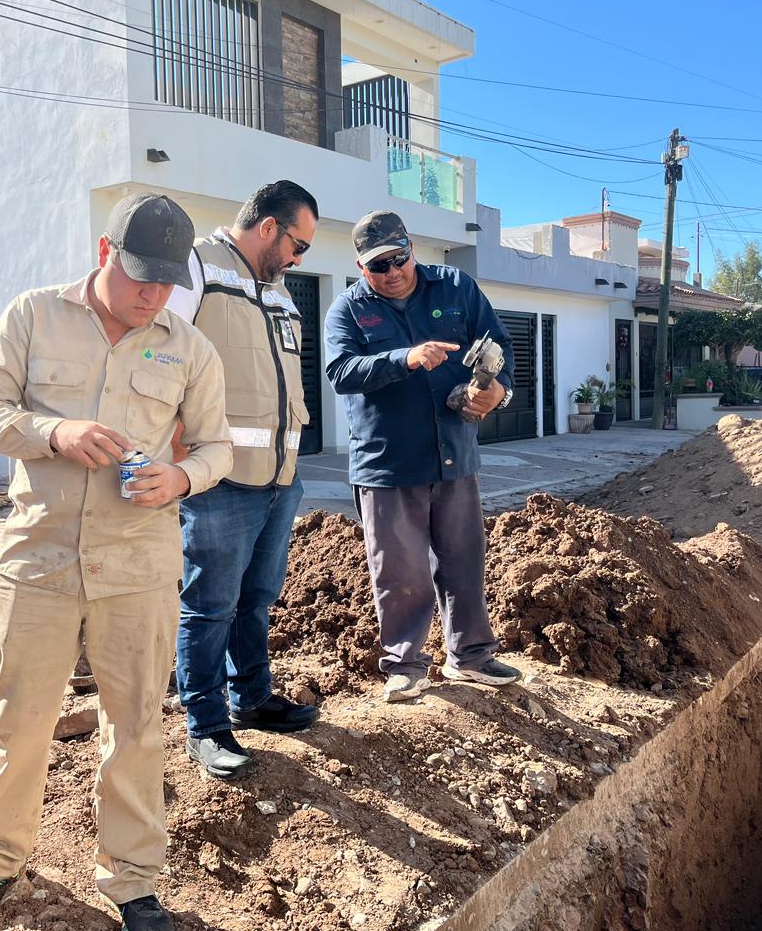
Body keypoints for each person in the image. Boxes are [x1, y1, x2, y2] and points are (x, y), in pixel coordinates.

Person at [0, 193, 232, 931]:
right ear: (106, 254)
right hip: (39, 560)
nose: (154, 295)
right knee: (18, 720)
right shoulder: (33, 316)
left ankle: (132, 878)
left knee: (135, 726)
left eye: (168, 282)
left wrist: (182, 478)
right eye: (142, 277)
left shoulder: (190, 348)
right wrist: (54, 432)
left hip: (139, 566)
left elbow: (218, 448)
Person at [324, 210, 522, 702]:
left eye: (400, 259)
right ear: (361, 266)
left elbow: (500, 345)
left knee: (464, 560)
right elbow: (340, 372)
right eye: (379, 266)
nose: (393, 272)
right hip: (389, 464)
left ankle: (470, 655)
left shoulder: (455, 287)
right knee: (401, 571)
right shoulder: (348, 310)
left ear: (412, 248)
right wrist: (405, 358)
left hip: (453, 454)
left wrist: (497, 391)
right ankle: (406, 664)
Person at [165, 180, 320, 780]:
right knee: (210, 607)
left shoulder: (279, 292)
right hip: (219, 481)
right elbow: (160, 357)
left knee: (256, 599)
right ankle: (205, 725)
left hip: (281, 478)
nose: (299, 259)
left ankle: (252, 697)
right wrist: (178, 457)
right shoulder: (197, 267)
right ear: (268, 228)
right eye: (299, 245)